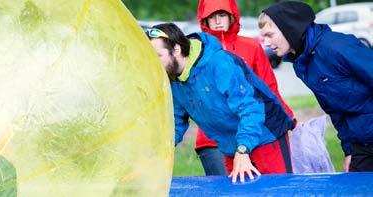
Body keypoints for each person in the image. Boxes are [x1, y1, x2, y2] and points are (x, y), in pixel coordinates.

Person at [145, 23, 295, 182]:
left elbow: (251, 108)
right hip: (231, 146)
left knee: (277, 190)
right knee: (240, 193)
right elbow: (175, 122)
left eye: (158, 56)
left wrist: (243, 150)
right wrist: (155, 157)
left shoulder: (219, 63)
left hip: (266, 135)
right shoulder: (172, 79)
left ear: (176, 49)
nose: (153, 64)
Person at [258, 1, 373, 172]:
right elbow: (334, 109)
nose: (266, 43)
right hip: (361, 142)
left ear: (289, 28)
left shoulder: (337, 47)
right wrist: (349, 151)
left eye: (270, 35)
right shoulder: (301, 64)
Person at [193, 0, 294, 176]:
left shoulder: (251, 46)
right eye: (212, 16)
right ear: (204, 20)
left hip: (256, 132)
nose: (217, 21)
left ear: (232, 16)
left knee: (269, 188)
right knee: (225, 192)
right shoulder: (197, 51)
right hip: (213, 140)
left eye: (222, 14)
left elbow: (267, 86)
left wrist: (287, 116)